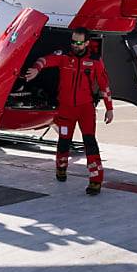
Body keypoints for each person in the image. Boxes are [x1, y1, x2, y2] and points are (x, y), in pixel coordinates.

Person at [24, 27, 114, 196]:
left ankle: (96, 180)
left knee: (90, 143)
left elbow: (104, 85)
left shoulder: (95, 60)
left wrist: (109, 108)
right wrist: (36, 69)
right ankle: (61, 169)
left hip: (85, 109)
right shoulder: (64, 56)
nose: (75, 45)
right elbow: (45, 60)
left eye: (79, 42)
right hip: (65, 108)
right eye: (73, 41)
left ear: (87, 43)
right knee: (64, 140)